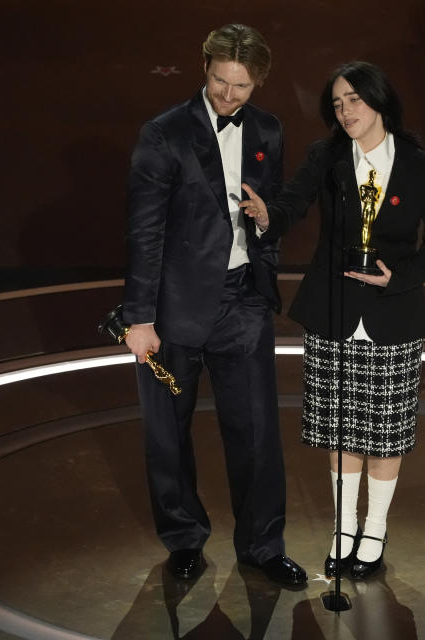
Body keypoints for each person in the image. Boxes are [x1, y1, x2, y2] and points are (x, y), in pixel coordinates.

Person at [239, 61, 425, 579]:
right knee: (341, 431)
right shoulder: (327, 156)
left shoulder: (421, 166)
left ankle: (374, 532)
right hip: (333, 311)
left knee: (382, 434)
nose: (345, 111)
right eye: (337, 104)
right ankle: (343, 529)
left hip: (393, 313)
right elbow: (292, 203)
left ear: (379, 101)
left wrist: (398, 276)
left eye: (354, 100)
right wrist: (270, 214)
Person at [121, 23, 306, 586]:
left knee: (255, 433)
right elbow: (144, 231)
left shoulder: (268, 131)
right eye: (221, 82)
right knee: (168, 432)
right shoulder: (163, 134)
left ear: (258, 84)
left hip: (243, 301)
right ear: (204, 68)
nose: (228, 96)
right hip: (174, 309)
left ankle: (262, 546)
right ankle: (183, 539)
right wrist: (139, 317)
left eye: (242, 88)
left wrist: (267, 219)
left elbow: (272, 213)